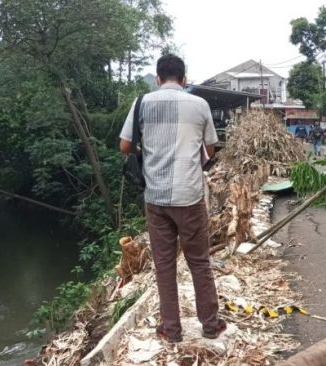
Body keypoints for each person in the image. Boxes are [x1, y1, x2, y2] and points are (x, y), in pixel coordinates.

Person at [119, 54, 225, 343]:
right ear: (184, 79)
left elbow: (125, 145)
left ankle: (171, 329)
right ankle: (211, 325)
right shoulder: (200, 104)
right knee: (199, 262)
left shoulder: (142, 102)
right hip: (190, 196)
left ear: (157, 78)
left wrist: (149, 151)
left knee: (164, 266)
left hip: (155, 197)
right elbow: (211, 150)